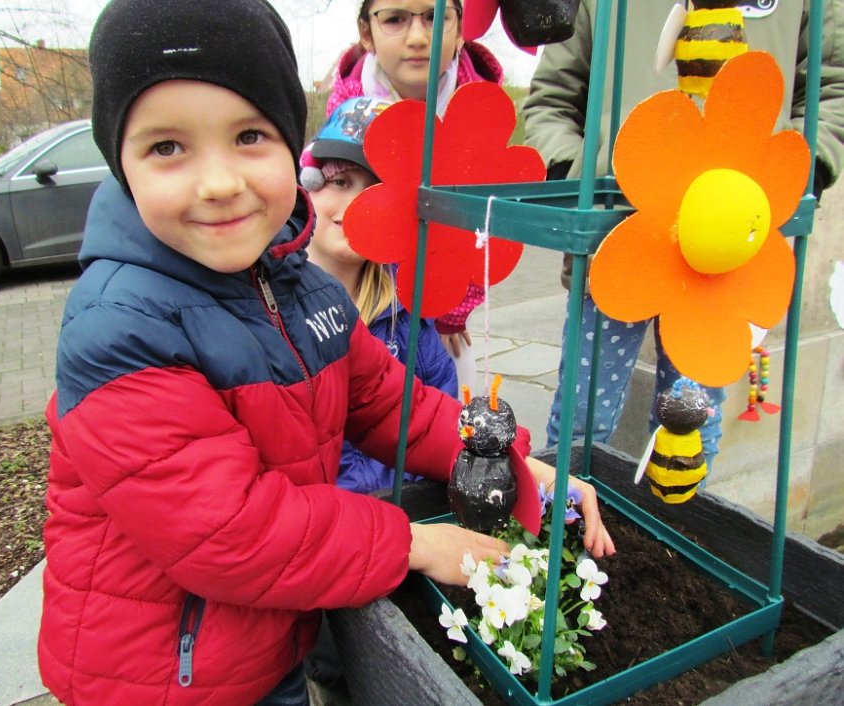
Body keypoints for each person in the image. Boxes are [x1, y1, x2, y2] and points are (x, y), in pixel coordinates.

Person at [37, 1, 614, 705]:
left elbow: (397, 406)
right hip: (159, 677)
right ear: (120, 166)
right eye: (167, 147)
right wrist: (416, 544)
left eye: (249, 136)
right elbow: (231, 532)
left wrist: (515, 462)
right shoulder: (119, 329)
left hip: (263, 638)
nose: (218, 182)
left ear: (290, 149)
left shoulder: (304, 291)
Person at [523, 0, 844, 466]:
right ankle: (565, 528)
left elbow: (831, 87)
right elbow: (552, 97)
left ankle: (674, 531)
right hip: (618, 239)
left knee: (693, 429)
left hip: (727, 254)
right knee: (581, 423)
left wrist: (801, 170)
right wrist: (579, 175)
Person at [327, 0, 506, 394]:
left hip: (443, 310)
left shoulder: (481, 113)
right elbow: (330, 213)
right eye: (395, 19)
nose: (418, 37)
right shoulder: (344, 109)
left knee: (452, 407)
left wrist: (450, 313)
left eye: (435, 18)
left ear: (460, 30)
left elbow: (486, 229)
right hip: (363, 301)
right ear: (365, 31)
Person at [302, 96, 458, 494]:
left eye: (378, 189)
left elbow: (440, 415)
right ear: (309, 188)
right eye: (340, 182)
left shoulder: (407, 313)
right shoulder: (274, 310)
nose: (357, 205)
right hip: (330, 527)